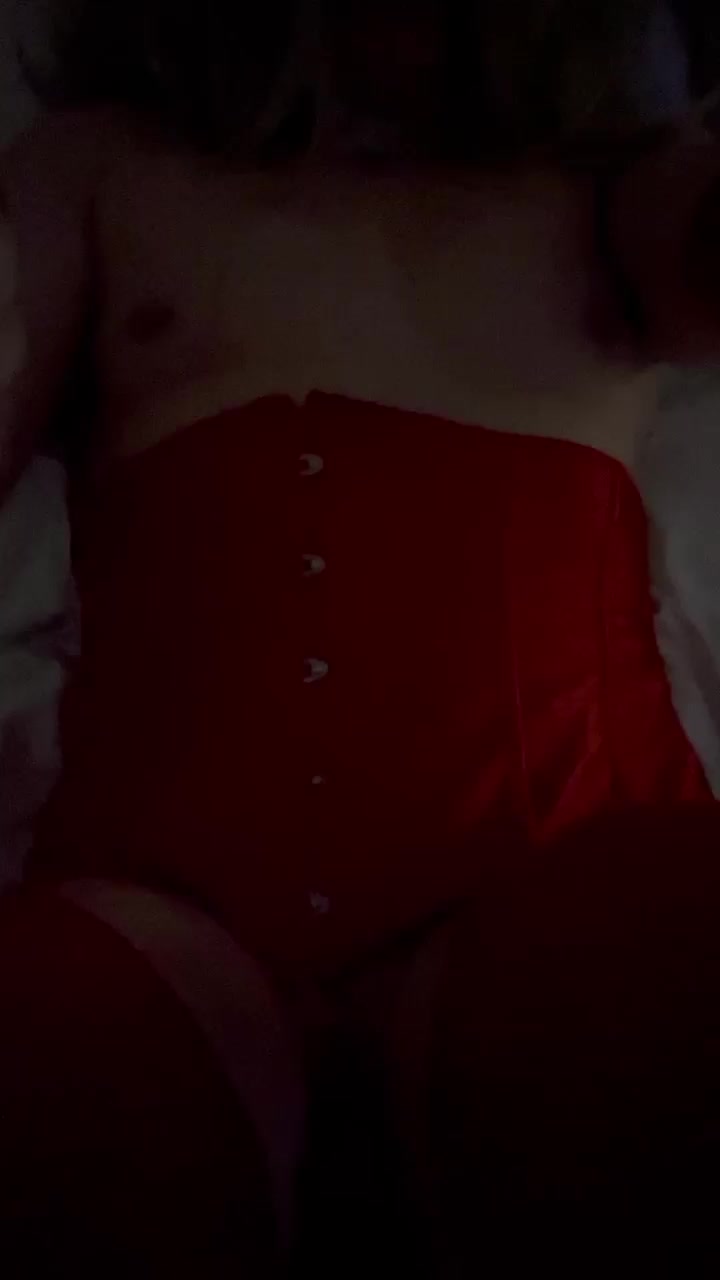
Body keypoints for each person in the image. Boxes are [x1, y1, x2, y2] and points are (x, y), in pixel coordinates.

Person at [2, 2, 720, 1274]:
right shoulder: (98, 164)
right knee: (55, 1053)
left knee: (655, 995)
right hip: (165, 924)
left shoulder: (617, 179)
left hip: (555, 886)